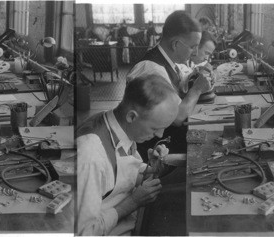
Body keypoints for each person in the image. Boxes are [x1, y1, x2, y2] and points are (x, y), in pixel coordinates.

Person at [77, 75, 181, 236]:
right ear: (131, 116)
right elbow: (84, 232)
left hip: (132, 220)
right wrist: (133, 202)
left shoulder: (117, 126)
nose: (159, 135)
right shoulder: (91, 154)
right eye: (154, 128)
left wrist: (149, 170)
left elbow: (118, 178)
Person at [126, 11, 211, 157]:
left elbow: (175, 87)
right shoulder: (151, 68)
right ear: (176, 44)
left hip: (165, 141)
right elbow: (177, 117)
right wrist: (196, 89)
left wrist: (195, 76)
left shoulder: (168, 63)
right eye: (193, 47)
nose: (196, 52)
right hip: (152, 151)